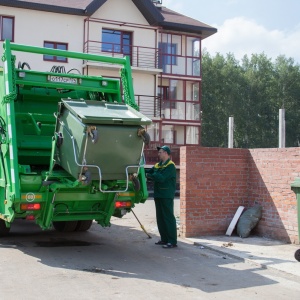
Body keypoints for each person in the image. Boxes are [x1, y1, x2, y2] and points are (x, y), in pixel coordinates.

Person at [146, 145, 177, 248]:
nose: (158, 153)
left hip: (166, 195)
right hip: (158, 194)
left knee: (168, 218)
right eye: (158, 152)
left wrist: (151, 175)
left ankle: (172, 241)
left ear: (166, 153)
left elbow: (161, 178)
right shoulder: (158, 165)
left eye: (160, 152)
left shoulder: (170, 166)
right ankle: (164, 239)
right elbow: (149, 172)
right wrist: (146, 173)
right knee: (160, 218)